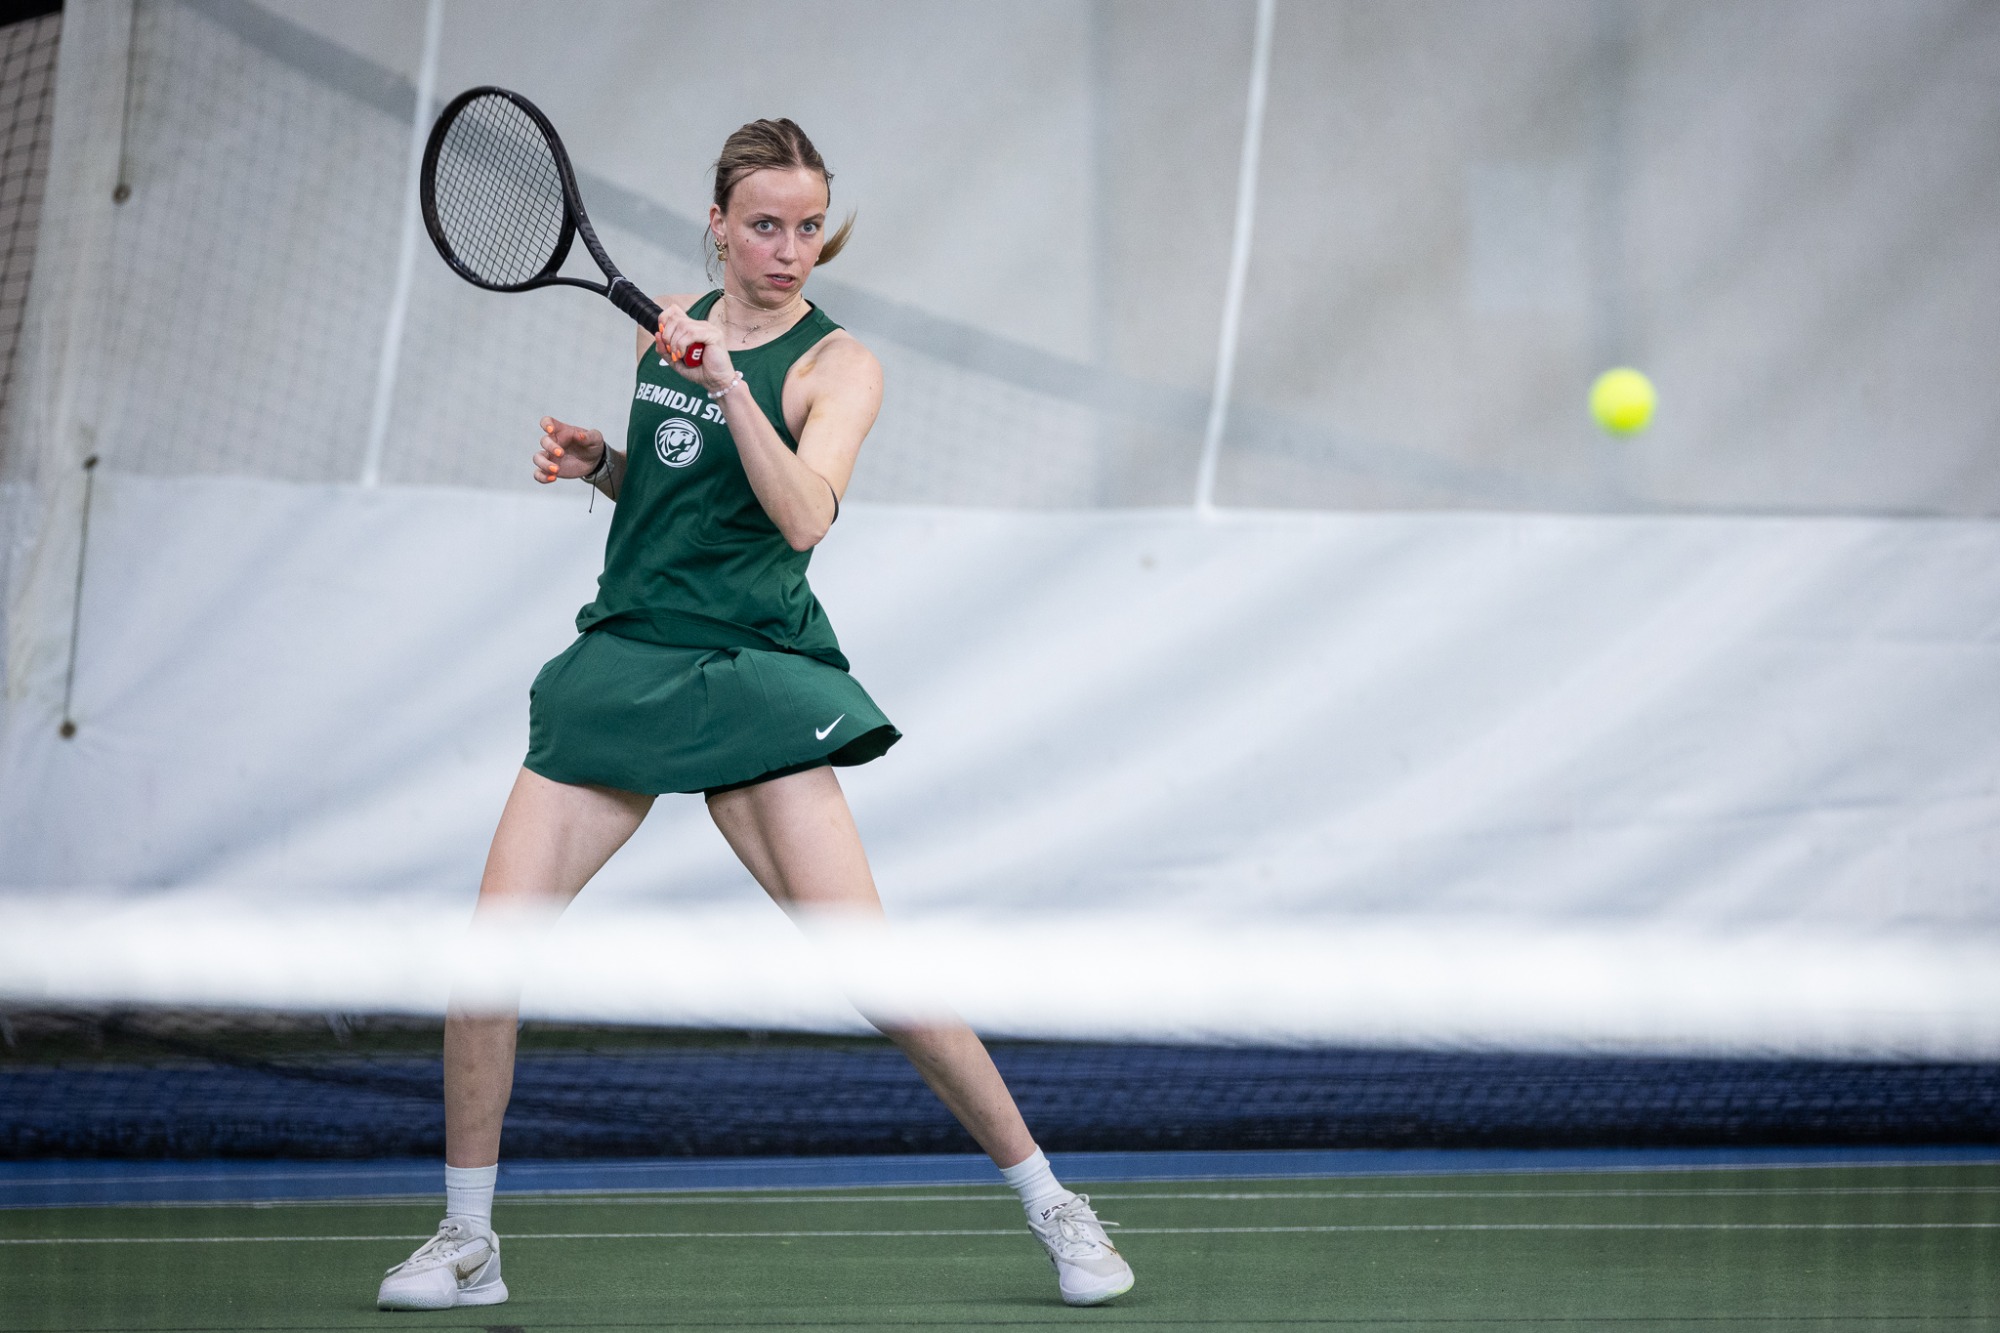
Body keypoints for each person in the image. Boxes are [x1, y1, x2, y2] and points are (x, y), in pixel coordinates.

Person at [375, 118, 1134, 1313]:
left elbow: (799, 516)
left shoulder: (840, 367)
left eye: (808, 228)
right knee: (486, 959)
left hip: (753, 667)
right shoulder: (658, 322)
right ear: (717, 224)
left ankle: (1056, 1206)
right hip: (625, 656)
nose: (790, 250)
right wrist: (601, 465)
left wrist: (725, 377)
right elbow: (679, 486)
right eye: (767, 225)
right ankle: (467, 1241)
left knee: (875, 972)